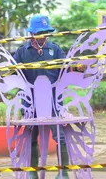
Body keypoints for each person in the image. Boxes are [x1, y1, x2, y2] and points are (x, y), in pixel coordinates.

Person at [12, 14, 85, 179]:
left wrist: (78, 67)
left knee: (61, 137)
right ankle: (32, 173)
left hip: (53, 101)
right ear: (31, 34)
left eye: (46, 32)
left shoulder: (55, 50)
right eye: (40, 32)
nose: (43, 36)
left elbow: (66, 67)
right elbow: (13, 73)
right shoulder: (22, 52)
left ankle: (63, 173)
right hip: (31, 103)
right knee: (31, 135)